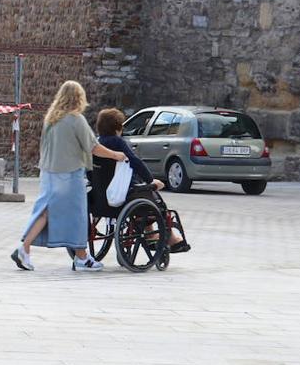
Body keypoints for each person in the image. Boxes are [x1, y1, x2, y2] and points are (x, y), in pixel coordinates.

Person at [12, 81, 128, 272]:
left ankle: (24, 248)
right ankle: (82, 258)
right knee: (78, 216)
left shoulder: (51, 119)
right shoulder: (76, 119)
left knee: (45, 211)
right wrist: (116, 155)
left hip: (48, 172)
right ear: (79, 98)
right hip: (69, 174)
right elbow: (93, 147)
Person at [95, 107, 189, 253]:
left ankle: (148, 229)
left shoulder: (97, 143)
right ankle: (170, 237)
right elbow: (135, 162)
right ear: (118, 127)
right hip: (121, 194)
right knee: (156, 201)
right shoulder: (116, 142)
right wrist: (151, 180)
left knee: (143, 195)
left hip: (100, 194)